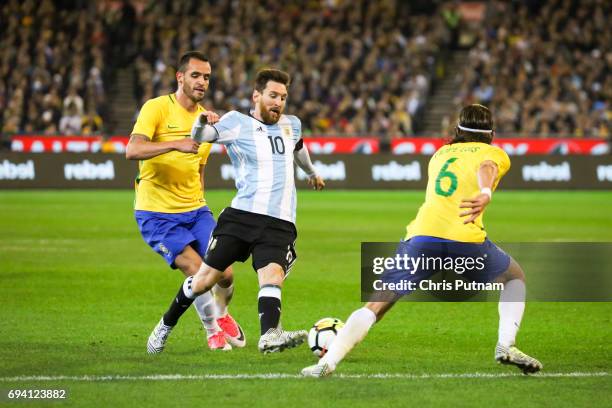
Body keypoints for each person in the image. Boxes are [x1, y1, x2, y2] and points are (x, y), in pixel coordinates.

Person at [302, 104, 543, 377]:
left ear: (457, 130)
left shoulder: (440, 154)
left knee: (376, 305)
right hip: (466, 238)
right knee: (514, 278)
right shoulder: (495, 153)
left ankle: (327, 363)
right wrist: (486, 191)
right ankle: (506, 345)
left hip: (422, 236)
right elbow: (486, 166)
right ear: (492, 134)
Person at [147, 68, 325, 354]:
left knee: (272, 275)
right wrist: (200, 121)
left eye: (283, 97)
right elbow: (202, 135)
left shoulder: (292, 124)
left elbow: (298, 147)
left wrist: (312, 173)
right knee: (205, 281)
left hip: (280, 220)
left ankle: (269, 335)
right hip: (242, 217)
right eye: (273, 96)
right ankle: (165, 325)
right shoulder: (235, 122)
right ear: (257, 96)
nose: (278, 102)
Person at [126, 51, 244, 352]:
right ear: (180, 77)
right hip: (157, 213)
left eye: (206, 77)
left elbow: (199, 168)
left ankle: (222, 314)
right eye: (195, 75)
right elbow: (133, 150)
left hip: (195, 210)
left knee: (226, 272)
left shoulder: (206, 122)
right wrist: (176, 143)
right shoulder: (156, 108)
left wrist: (200, 202)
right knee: (198, 271)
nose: (202, 81)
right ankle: (211, 331)